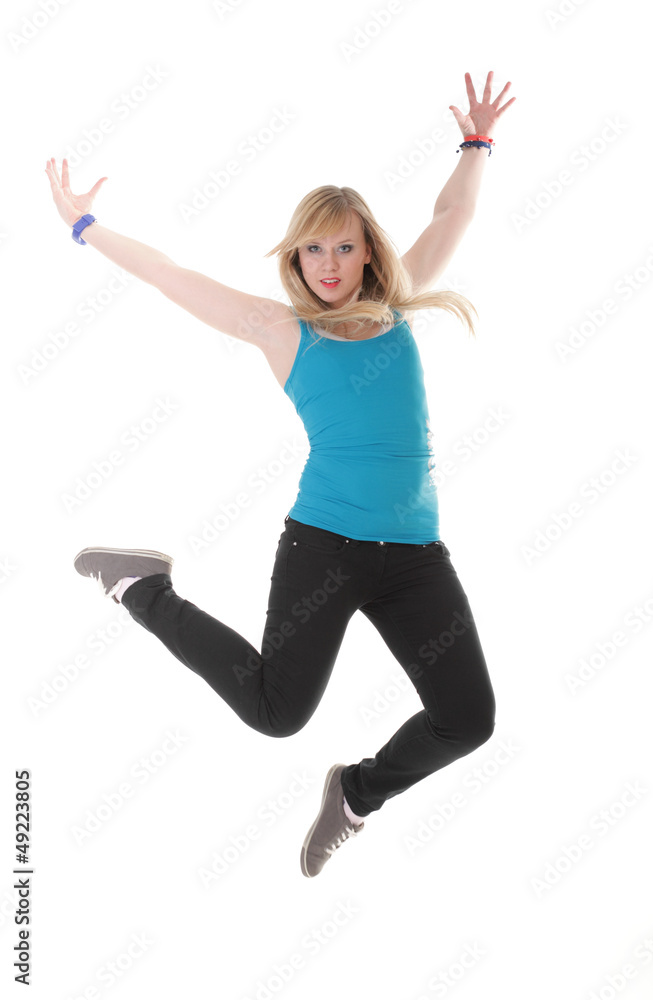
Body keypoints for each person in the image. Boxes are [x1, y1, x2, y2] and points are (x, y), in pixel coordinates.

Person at [45, 70, 516, 878]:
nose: (328, 262)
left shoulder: (398, 304)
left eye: (343, 245)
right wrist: (84, 223)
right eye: (312, 248)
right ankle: (142, 588)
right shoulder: (278, 330)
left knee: (467, 720)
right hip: (324, 545)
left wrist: (475, 144)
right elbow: (169, 275)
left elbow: (454, 211)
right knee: (274, 712)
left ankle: (357, 795)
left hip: (413, 556)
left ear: (367, 248)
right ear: (294, 256)